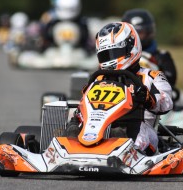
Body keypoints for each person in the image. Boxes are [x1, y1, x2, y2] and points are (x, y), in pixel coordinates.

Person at [67, 22, 173, 155]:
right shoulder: (99, 78)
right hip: (102, 127)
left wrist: (148, 98)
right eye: (106, 55)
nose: (110, 59)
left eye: (114, 53)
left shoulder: (151, 76)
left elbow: (167, 103)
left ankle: (124, 149)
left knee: (129, 131)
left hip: (140, 127)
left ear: (130, 48)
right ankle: (74, 148)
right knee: (73, 128)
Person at [121, 9, 178, 88]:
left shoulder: (161, 57)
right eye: (132, 33)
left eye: (139, 32)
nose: (136, 36)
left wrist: (154, 66)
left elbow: (171, 81)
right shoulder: (118, 56)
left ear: (149, 32)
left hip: (152, 96)